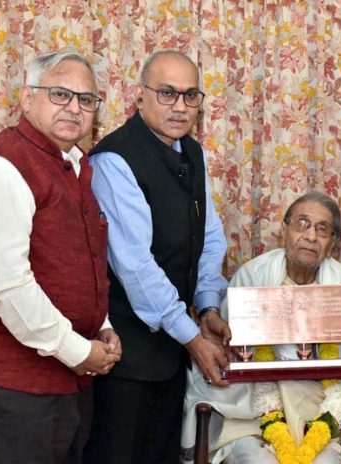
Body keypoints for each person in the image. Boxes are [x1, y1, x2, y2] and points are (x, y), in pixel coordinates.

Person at [0, 51, 121, 463]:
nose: (75, 107)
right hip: (6, 379)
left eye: (87, 100)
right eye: (60, 93)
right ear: (26, 98)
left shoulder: (73, 166)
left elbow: (80, 262)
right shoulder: (1, 168)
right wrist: (78, 350)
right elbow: (6, 285)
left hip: (64, 372)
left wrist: (100, 327)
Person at [83, 50, 231, 463]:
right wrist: (193, 338)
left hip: (172, 351)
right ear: (140, 96)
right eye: (167, 93)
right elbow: (134, 265)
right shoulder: (114, 159)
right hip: (124, 358)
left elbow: (209, 238)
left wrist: (208, 306)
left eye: (190, 95)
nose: (180, 107)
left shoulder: (193, 153)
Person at [181, 191, 341, 464]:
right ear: (283, 230)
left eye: (323, 229)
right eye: (302, 223)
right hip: (253, 414)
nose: (310, 236)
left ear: (333, 243)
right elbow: (222, 352)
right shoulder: (252, 277)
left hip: (327, 415)